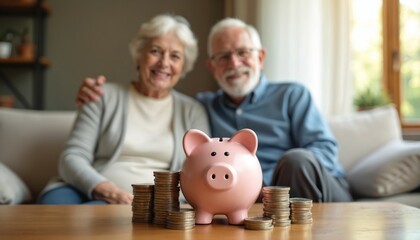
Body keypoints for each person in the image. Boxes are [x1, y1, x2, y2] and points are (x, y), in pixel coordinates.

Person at [75, 18, 353, 202]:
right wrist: (92, 90)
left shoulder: (292, 95)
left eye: (243, 52)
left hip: (316, 191)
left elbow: (324, 151)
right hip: (248, 202)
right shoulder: (201, 107)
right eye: (223, 57)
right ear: (212, 66)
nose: (234, 63)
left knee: (297, 161)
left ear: (260, 57)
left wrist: (261, 183)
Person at [39, 14, 210, 204]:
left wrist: (156, 202)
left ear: (183, 66)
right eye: (155, 51)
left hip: (153, 203)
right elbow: (72, 156)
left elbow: (200, 171)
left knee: (104, 222)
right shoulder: (101, 95)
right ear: (139, 55)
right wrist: (106, 189)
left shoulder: (193, 111)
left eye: (175, 56)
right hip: (89, 188)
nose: (164, 63)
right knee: (58, 209)